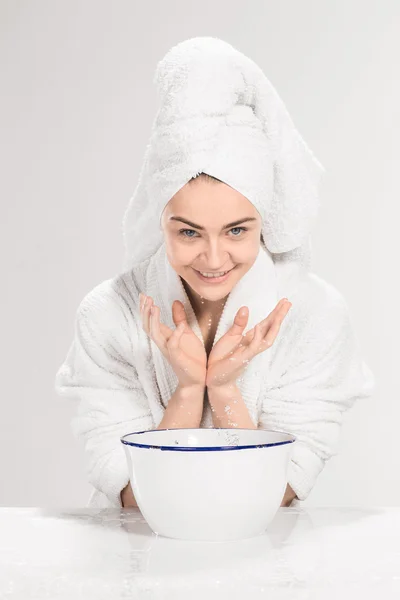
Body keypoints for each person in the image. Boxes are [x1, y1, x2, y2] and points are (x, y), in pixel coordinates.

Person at [54, 37, 375, 510]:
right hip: (132, 558)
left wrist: (223, 390)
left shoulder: (313, 314)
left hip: (264, 560)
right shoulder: (108, 314)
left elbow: (281, 490)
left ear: (264, 220)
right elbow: (130, 494)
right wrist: (188, 392)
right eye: (188, 233)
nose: (212, 257)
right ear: (158, 219)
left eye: (236, 230)